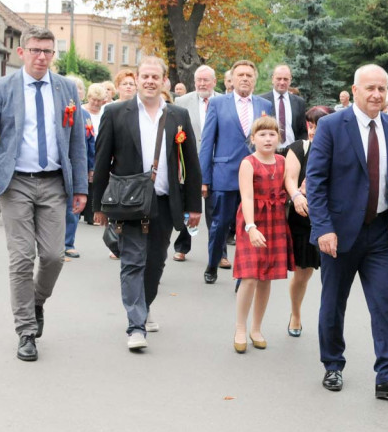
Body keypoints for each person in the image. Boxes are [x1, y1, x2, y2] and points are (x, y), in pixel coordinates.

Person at [0, 26, 88, 362]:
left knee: (53, 256)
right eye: (35, 50)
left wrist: (80, 187)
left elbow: (76, 140)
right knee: (21, 258)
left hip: (53, 183)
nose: (42, 57)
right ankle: (26, 331)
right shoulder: (4, 88)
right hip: (15, 182)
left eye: (48, 51)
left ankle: (36, 301)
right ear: (21, 52)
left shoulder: (65, 89)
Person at [305, 64, 388, 399]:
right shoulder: (331, 126)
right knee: (333, 303)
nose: (377, 95)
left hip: (380, 234)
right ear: (354, 90)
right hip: (339, 235)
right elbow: (316, 182)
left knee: (384, 304)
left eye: (382, 89)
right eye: (370, 88)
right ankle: (332, 366)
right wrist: (323, 228)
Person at [92, 57, 201, 349]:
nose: (150, 81)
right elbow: (102, 161)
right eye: (145, 76)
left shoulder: (178, 116)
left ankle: (144, 304)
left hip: (165, 202)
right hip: (129, 203)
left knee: (155, 262)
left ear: (164, 81)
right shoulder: (116, 113)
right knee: (132, 261)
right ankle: (135, 326)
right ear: (137, 79)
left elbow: (190, 162)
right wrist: (98, 206)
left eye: (156, 77)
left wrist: (194, 206)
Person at [199, 60, 272, 283]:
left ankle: (243, 272)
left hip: (256, 177)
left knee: (250, 225)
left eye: (249, 75)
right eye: (240, 74)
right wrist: (204, 179)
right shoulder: (218, 103)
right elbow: (207, 142)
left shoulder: (264, 106)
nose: (245, 78)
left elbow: (269, 140)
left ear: (255, 79)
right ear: (232, 79)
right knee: (220, 224)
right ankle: (212, 264)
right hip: (225, 174)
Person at [232, 116, 300, 352]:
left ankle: (256, 328)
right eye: (262, 134)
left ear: (278, 138)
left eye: (272, 134)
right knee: (250, 277)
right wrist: (251, 227)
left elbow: (291, 185)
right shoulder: (248, 163)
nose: (268, 138)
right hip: (253, 221)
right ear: (253, 139)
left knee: (266, 277)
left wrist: (300, 196)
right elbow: (247, 197)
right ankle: (241, 327)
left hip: (276, 221)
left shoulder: (282, 161)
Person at [283, 105, 331, 337]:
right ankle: (296, 313)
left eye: (318, 126)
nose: (312, 131)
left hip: (331, 219)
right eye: (310, 125)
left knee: (331, 276)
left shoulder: (339, 152)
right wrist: (297, 195)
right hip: (302, 218)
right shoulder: (299, 148)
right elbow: (290, 179)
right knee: (302, 274)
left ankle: (330, 323)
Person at [172, 64, 218, 261]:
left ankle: (219, 252)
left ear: (214, 82)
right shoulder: (182, 101)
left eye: (206, 80)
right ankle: (182, 247)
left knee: (215, 210)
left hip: (216, 162)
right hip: (188, 160)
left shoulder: (223, 101)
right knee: (188, 205)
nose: (201, 83)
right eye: (198, 80)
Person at [63, 76, 94, 258]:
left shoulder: (85, 115)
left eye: (79, 89)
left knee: (73, 205)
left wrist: (91, 167)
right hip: (58, 164)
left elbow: (90, 143)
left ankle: (68, 242)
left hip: (76, 165)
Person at [257, 64, 307, 148]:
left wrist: (298, 151)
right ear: (273, 79)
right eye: (279, 79)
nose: (282, 82)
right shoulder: (261, 101)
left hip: (292, 152)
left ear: (290, 80)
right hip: (268, 151)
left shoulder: (299, 102)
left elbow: (302, 131)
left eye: (285, 79)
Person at [81, 84, 106, 225]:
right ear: (88, 98)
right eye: (93, 100)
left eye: (99, 100)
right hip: (86, 148)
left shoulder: (104, 112)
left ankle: (91, 214)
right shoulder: (82, 111)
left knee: (94, 182)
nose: (96, 103)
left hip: (100, 149)